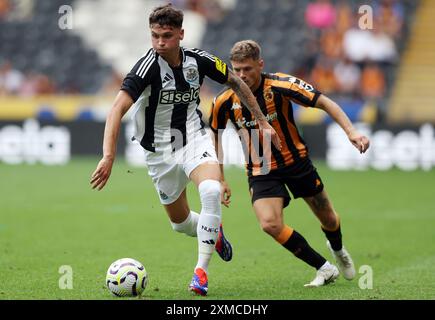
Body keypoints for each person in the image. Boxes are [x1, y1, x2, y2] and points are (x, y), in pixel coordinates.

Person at [90, 6, 280, 296]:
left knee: (211, 192)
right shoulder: (146, 67)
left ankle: (200, 273)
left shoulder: (198, 60)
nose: (160, 42)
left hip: (191, 137)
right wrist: (108, 156)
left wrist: (263, 121)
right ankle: (213, 233)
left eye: (167, 36)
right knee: (179, 225)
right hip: (159, 152)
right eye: (155, 36)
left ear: (181, 34)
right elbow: (116, 108)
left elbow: (236, 81)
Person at [210, 40, 370, 287]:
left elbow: (324, 102)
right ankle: (323, 268)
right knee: (270, 224)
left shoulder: (281, 85)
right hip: (261, 168)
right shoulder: (224, 101)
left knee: (328, 218)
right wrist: (220, 178)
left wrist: (351, 132)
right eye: (237, 70)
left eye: (247, 69)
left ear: (260, 65)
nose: (241, 75)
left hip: (296, 162)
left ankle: (338, 250)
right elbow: (215, 135)